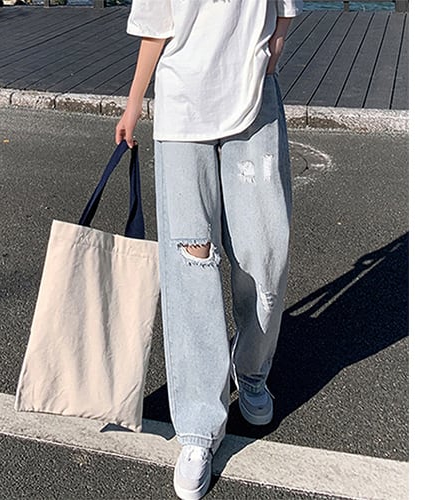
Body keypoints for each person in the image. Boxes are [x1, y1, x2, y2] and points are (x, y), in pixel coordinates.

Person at [115, 1, 303, 499]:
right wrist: (134, 104)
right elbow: (155, 26)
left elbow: (285, 7)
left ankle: (252, 371)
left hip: (254, 101)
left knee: (264, 254)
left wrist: (275, 44)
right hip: (182, 110)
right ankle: (198, 425)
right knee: (191, 266)